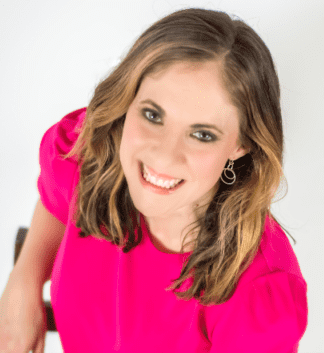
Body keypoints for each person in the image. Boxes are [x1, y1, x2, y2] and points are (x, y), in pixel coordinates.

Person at [0, 8, 308, 353]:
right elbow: (57, 200)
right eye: (152, 115)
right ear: (127, 100)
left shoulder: (258, 294)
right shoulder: (91, 154)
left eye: (202, 134)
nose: (163, 155)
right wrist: (24, 280)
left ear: (241, 144)